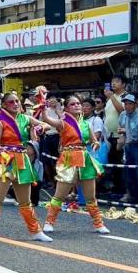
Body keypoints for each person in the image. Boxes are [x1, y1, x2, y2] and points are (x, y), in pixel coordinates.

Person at [0, 92, 52, 243]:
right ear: (4, 105)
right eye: (11, 102)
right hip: (5, 160)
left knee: (25, 201)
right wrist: (2, 151)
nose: (16, 104)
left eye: (17, 101)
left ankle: (36, 231)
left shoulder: (25, 118)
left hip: (22, 160)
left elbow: (47, 125)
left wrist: (39, 128)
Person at [40, 95, 109, 235]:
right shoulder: (63, 123)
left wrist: (95, 145)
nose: (77, 105)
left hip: (85, 158)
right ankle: (49, 222)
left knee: (90, 196)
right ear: (66, 108)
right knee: (60, 195)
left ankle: (98, 224)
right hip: (69, 158)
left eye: (78, 103)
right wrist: (42, 108)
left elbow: (94, 141)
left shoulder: (87, 124)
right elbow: (47, 120)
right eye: (73, 104)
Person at [117, 93, 138, 204]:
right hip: (128, 145)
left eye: (130, 104)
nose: (127, 106)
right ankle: (134, 196)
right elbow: (121, 127)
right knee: (129, 173)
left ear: (135, 104)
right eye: (125, 104)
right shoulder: (124, 115)